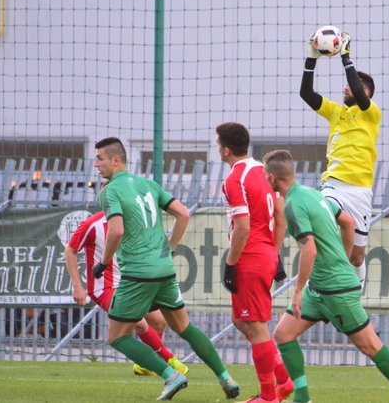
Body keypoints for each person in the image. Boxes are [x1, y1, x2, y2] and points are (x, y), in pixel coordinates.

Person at [263, 150, 389, 403]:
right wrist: (344, 261)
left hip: (335, 290)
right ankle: (302, 398)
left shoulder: (292, 204)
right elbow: (348, 222)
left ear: (272, 178)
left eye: (265, 176)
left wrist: (297, 290)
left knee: (370, 346)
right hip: (319, 289)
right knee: (283, 334)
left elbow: (310, 250)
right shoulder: (314, 194)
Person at [93, 137, 240, 401]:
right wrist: (169, 249)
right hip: (165, 269)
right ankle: (225, 378)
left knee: (116, 336)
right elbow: (183, 214)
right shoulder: (148, 184)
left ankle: (171, 376)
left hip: (138, 272)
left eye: (100, 159)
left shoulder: (109, 190)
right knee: (184, 327)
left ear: (116, 160)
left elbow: (116, 231)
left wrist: (103, 263)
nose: (96, 164)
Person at [216, 122, 294, 403]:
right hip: (265, 254)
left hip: (250, 257)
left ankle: (268, 396)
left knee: (257, 326)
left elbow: (243, 227)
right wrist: (275, 253)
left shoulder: (235, 178)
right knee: (240, 320)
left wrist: (230, 263)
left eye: (217, 144)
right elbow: (281, 215)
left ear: (225, 149)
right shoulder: (264, 171)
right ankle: (283, 381)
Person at [300, 29, 381, 288]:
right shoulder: (336, 112)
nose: (346, 88)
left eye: (354, 86)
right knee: (320, 215)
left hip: (359, 191)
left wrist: (346, 58)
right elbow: (306, 93)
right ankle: (329, 277)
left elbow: (357, 91)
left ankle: (354, 294)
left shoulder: (371, 114)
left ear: (366, 93)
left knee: (358, 256)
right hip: (333, 185)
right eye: (347, 85)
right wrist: (311, 59)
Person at [64, 210, 188, 377]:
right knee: (139, 323)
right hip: (104, 288)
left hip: (131, 283)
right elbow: (70, 250)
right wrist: (77, 286)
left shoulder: (134, 221)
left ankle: (144, 365)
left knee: (159, 321)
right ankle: (169, 360)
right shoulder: (92, 224)